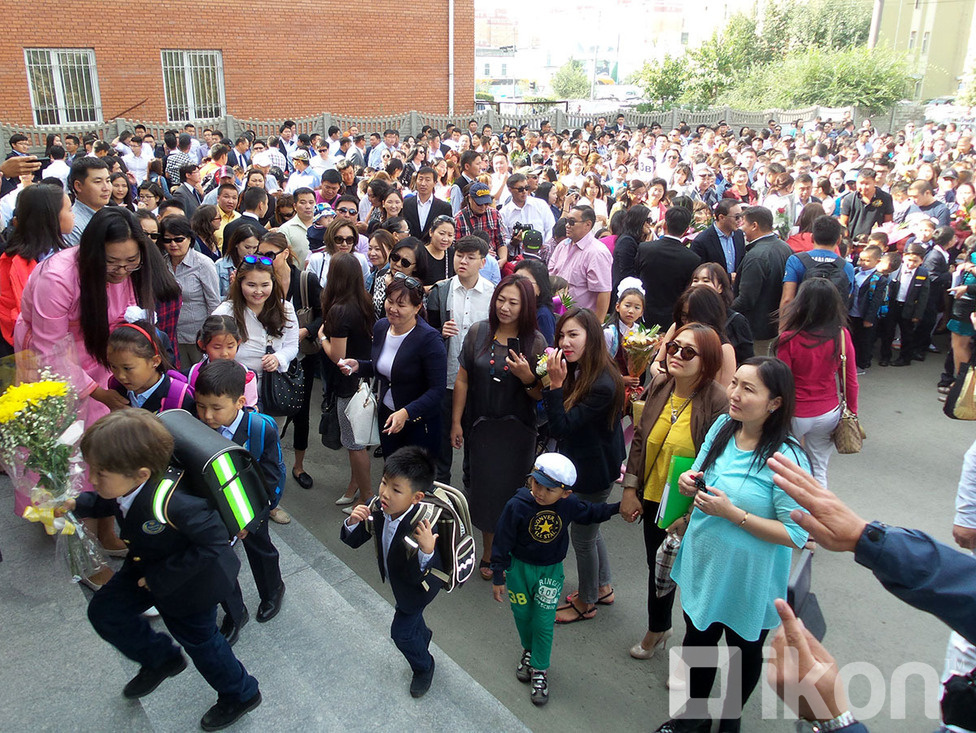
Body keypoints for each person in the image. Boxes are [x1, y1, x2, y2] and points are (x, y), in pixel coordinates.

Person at [63, 411, 262, 730]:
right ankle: (160, 659)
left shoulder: (174, 503)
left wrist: (159, 578)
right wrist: (78, 503)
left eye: (100, 473)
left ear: (141, 474)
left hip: (191, 587)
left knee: (202, 643)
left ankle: (241, 693)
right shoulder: (130, 485)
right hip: (147, 563)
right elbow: (114, 502)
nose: (93, 479)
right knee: (104, 611)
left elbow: (214, 544)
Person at [654, 357, 810, 733]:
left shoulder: (787, 458)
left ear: (775, 403)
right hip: (704, 561)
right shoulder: (724, 426)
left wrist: (733, 514)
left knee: (744, 651)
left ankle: (729, 720)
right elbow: (700, 471)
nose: (734, 394)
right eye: (735, 383)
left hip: (749, 577)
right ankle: (692, 718)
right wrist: (689, 482)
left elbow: (796, 534)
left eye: (748, 389)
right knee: (698, 640)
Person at [14, 208, 161, 558]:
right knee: (68, 447)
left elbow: (126, 318)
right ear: (94, 252)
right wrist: (96, 392)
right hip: (54, 363)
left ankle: (106, 525)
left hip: (102, 354)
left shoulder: (126, 272)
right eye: (113, 263)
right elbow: (49, 347)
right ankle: (79, 537)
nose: (121, 271)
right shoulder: (57, 277)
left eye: (131, 262)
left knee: (108, 444)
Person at [621, 323, 728, 660]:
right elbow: (640, 437)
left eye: (688, 351)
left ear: (707, 361)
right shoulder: (661, 384)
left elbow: (717, 465)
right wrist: (630, 488)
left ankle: (694, 662)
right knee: (659, 567)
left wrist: (690, 514)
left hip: (693, 506)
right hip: (655, 498)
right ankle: (658, 628)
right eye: (673, 347)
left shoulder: (717, 401)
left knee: (694, 579)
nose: (676, 355)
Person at [491, 453, 623, 706]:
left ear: (565, 493)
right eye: (536, 483)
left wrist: (619, 508)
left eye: (548, 489)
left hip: (550, 573)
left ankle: (540, 668)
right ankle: (529, 650)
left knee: (543, 621)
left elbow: (592, 512)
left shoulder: (569, 505)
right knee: (522, 616)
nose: (539, 492)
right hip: (519, 571)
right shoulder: (517, 505)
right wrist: (498, 573)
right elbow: (502, 539)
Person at [452, 275, 546, 579]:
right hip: (481, 428)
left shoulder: (536, 342)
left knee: (513, 493)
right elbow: (462, 379)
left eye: (513, 303)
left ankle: (509, 549)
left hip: (518, 432)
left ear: (525, 306)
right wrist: (456, 422)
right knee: (484, 492)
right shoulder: (479, 332)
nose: (505, 307)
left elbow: (540, 395)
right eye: (501, 300)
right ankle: (490, 551)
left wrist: (527, 377)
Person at [341, 446, 445, 698]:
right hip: (399, 582)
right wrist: (352, 522)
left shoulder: (423, 527)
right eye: (384, 482)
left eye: (396, 490)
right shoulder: (378, 508)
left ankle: (424, 666)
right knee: (411, 619)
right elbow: (355, 540)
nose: (385, 493)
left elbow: (428, 573)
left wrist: (427, 551)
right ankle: (422, 634)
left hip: (417, 589)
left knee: (401, 634)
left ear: (416, 497)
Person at [193, 360, 286, 642]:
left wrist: (249, 518)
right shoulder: (197, 425)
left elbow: (270, 478)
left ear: (240, 402)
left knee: (261, 550)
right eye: (200, 406)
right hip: (214, 509)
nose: (207, 415)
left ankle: (273, 591)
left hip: (251, 508)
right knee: (219, 561)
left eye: (216, 408)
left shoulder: (260, 429)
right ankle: (235, 612)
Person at [543, 308, 626, 624]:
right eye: (562, 335)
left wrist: (555, 385)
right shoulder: (583, 368)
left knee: (582, 537)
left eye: (573, 334)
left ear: (591, 337)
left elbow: (561, 427)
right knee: (590, 528)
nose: (565, 342)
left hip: (594, 470)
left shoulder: (601, 382)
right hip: (590, 463)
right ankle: (602, 586)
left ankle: (587, 601)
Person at [338, 275, 446, 459]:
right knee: (390, 467)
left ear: (417, 307)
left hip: (419, 424)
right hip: (387, 416)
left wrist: (406, 412)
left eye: (401, 305)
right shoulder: (381, 327)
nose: (393, 309)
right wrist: (359, 366)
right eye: (390, 301)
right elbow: (385, 368)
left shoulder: (429, 339)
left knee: (413, 474)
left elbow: (437, 390)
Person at [424, 236, 493, 484]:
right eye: (459, 255)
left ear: (482, 262)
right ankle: (441, 490)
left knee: (475, 442)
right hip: (445, 378)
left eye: (470, 257)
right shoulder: (441, 291)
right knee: (441, 442)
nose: (463, 261)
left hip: (477, 382)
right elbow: (427, 332)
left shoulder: (493, 294)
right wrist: (439, 332)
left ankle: (472, 490)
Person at [776, 279, 857, 487]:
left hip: (794, 414)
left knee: (786, 465)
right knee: (819, 468)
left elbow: (781, 381)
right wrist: (852, 412)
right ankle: (819, 505)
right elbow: (850, 380)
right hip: (828, 413)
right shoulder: (842, 335)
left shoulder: (788, 338)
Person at [259, 232, 322, 490]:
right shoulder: (262, 281)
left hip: (302, 357)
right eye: (260, 255)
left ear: (285, 253)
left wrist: (305, 331)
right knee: (268, 408)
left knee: (301, 411)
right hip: (268, 358)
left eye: (269, 255)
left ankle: (298, 465)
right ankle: (268, 461)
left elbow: (323, 314)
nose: (264, 260)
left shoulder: (306, 280)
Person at [317, 252, 376, 510]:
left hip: (349, 383)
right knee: (357, 442)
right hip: (365, 380)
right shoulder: (365, 302)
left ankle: (366, 497)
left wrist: (322, 338)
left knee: (354, 444)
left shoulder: (339, 310)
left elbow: (338, 357)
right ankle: (355, 486)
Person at [211, 255, 299, 401]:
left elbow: (292, 345)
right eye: (251, 285)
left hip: (274, 388)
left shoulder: (286, 309)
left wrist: (278, 358)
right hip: (235, 388)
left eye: (265, 285)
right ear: (240, 283)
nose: (258, 291)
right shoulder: (225, 312)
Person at [0, 184, 71, 354]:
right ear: (51, 217)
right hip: (35, 347)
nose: (73, 214)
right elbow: (20, 312)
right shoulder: (15, 262)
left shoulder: (61, 253)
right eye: (69, 210)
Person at [157, 215, 220, 366]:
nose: (173, 244)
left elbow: (214, 303)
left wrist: (210, 336)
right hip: (171, 336)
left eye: (178, 239)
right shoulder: (162, 264)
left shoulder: (203, 264)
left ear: (189, 239)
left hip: (197, 337)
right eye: (167, 240)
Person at [731, 206, 792, 355]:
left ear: (754, 225)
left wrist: (724, 311)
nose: (741, 228)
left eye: (744, 223)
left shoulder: (756, 256)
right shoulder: (785, 247)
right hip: (776, 325)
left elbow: (746, 299)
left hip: (758, 330)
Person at [779, 215, 855, 326]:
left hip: (801, 326)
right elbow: (845, 299)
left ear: (812, 238)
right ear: (839, 240)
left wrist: (782, 329)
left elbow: (787, 299)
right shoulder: (847, 266)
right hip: (831, 328)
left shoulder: (796, 260)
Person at [636, 206, 702, 330]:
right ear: (686, 230)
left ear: (664, 225)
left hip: (644, 315)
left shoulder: (645, 249)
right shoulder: (693, 259)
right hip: (673, 319)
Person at [106, 322, 195, 413]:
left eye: (127, 368)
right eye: (113, 366)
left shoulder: (179, 397)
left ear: (155, 361)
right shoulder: (116, 387)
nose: (120, 376)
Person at [548, 205, 613, 323]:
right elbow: (551, 276)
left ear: (587, 224)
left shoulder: (597, 252)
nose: (567, 225)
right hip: (556, 317)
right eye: (566, 221)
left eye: (572, 222)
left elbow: (603, 292)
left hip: (582, 322)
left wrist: (597, 325)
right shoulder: (562, 246)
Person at [187, 315, 258, 407]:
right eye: (217, 347)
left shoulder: (246, 374)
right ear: (202, 345)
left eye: (230, 346)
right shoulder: (192, 373)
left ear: (238, 343)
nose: (224, 353)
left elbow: (255, 403)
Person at [878, 243, 930, 367]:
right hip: (893, 305)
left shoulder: (923, 274)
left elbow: (923, 296)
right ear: (904, 256)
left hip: (909, 308)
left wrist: (917, 314)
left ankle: (905, 358)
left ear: (922, 261)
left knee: (907, 334)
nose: (911, 264)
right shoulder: (896, 270)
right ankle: (885, 356)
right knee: (888, 332)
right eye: (909, 259)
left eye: (915, 261)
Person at [849, 244, 888, 373]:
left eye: (867, 260)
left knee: (865, 340)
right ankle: (851, 362)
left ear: (877, 261)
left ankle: (862, 363)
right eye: (861, 259)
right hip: (852, 311)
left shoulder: (880, 278)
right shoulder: (855, 271)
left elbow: (876, 301)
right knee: (852, 338)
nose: (863, 263)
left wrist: (869, 318)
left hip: (866, 314)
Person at [372, 237, 427, 319]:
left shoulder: (415, 288)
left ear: (416, 267)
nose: (398, 264)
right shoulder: (381, 275)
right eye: (395, 258)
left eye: (405, 263)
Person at [689, 200, 744, 276]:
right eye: (737, 217)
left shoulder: (739, 235)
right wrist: (728, 277)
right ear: (721, 217)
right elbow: (698, 272)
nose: (740, 220)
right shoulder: (702, 241)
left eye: (741, 216)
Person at [66, 157, 112, 245]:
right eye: (98, 182)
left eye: (108, 181)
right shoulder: (73, 225)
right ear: (78, 186)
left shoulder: (112, 213)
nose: (106, 188)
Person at [839, 168, 893, 238]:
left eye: (867, 184)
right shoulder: (849, 199)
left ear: (874, 182)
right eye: (861, 183)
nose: (863, 187)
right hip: (854, 240)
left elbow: (888, 223)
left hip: (875, 240)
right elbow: (843, 223)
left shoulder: (886, 198)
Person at [513, 258, 556, 346]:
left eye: (525, 282)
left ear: (539, 288)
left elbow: (547, 350)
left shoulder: (542, 315)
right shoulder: (515, 309)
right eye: (514, 280)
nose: (517, 285)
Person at [403, 165, 452, 239]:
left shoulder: (444, 207)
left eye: (427, 180)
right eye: (420, 179)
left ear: (435, 183)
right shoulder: (406, 204)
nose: (423, 183)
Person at [216, 223, 261, 298]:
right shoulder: (220, 266)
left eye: (255, 247)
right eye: (247, 247)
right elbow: (215, 298)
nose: (251, 252)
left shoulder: (259, 264)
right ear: (236, 244)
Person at [417, 214, 456, 287]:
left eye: (450, 235)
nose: (445, 239)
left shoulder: (452, 253)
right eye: (442, 234)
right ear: (431, 232)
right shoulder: (419, 253)